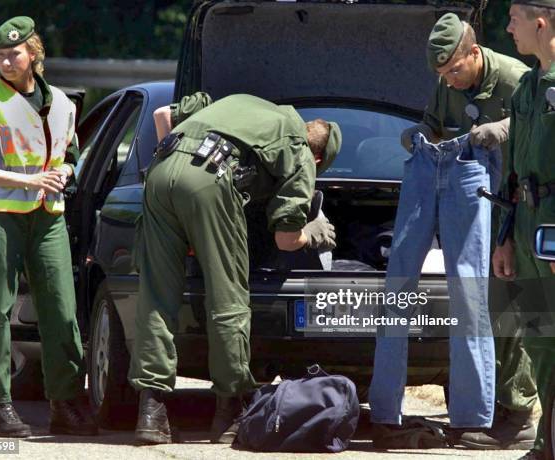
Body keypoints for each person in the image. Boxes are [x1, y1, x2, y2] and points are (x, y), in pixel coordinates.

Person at [128, 91, 341, 445]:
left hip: (161, 173)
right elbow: (285, 240)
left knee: (156, 295)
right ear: (318, 157)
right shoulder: (301, 151)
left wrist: (185, 212)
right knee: (228, 298)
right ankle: (230, 411)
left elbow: (163, 114)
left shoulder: (246, 102)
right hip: (211, 181)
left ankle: (151, 413)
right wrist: (312, 233)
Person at [370, 13, 536, 449]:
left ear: (475, 54)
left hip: (520, 204)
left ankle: (515, 413)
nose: (449, 80)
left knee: (508, 307)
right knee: (437, 294)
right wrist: (422, 134)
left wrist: (504, 129)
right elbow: (436, 123)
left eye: (455, 70)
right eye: (442, 74)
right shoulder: (448, 83)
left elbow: (541, 129)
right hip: (475, 190)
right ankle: (478, 412)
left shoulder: (518, 79)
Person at [0, 16, 98, 438]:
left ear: (33, 54)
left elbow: (70, 154)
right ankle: (0, 407)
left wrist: (66, 174)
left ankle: (66, 403)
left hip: (48, 216)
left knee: (61, 310)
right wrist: (29, 180)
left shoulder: (65, 104)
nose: (4, 60)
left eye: (13, 53)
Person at [495, 2, 555, 459]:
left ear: (542, 22)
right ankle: (545, 443)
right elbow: (512, 174)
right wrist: (505, 238)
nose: (509, 26)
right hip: (530, 228)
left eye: (515, 18)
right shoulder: (526, 89)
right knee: (537, 336)